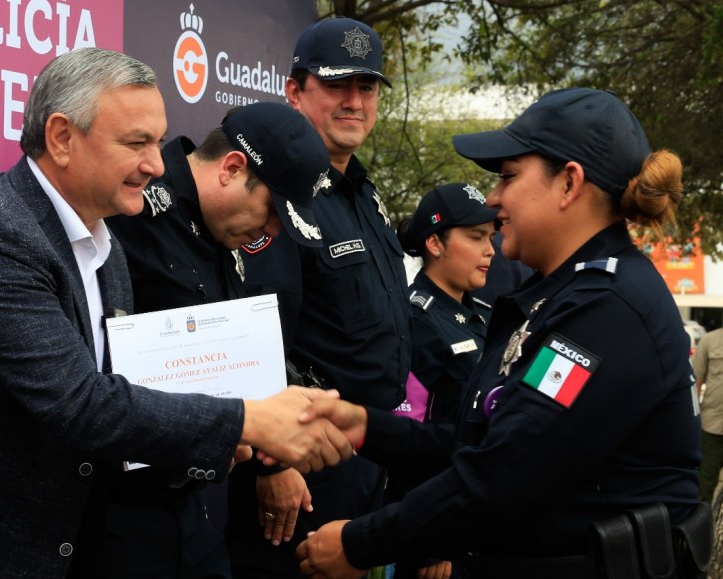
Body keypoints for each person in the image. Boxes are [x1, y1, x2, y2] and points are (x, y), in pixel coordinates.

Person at [0, 47, 355, 578]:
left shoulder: (103, 245)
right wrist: (251, 419)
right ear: (63, 138)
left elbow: (119, 388)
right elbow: (80, 402)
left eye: (157, 143)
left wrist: (213, 438)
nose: (157, 165)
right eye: (136, 143)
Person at [294, 87, 709, 578]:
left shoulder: (608, 311)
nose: (493, 199)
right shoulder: (564, 295)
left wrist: (360, 544)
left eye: (508, 177)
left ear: (568, 184)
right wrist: (368, 427)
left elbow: (504, 474)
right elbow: (488, 444)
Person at [101, 101, 331, 578]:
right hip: (112, 512)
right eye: (272, 210)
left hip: (190, 502)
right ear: (231, 168)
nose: (270, 231)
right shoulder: (130, 212)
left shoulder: (222, 232)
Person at [225, 16, 412, 579]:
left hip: (368, 456)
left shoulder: (363, 193)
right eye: (336, 85)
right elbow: (248, 335)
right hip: (300, 471)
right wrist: (270, 463)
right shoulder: (276, 191)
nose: (354, 100)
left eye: (368, 86)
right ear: (294, 91)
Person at [389, 183, 498, 578]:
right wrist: (429, 538)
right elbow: (406, 443)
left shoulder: (484, 314)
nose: (490, 249)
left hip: (476, 522)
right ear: (434, 243)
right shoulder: (415, 319)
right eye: (475, 237)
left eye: (490, 237)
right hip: (435, 535)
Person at [693, 327, 723, 503]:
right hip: (713, 427)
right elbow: (696, 380)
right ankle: (702, 528)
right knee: (704, 485)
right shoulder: (709, 340)